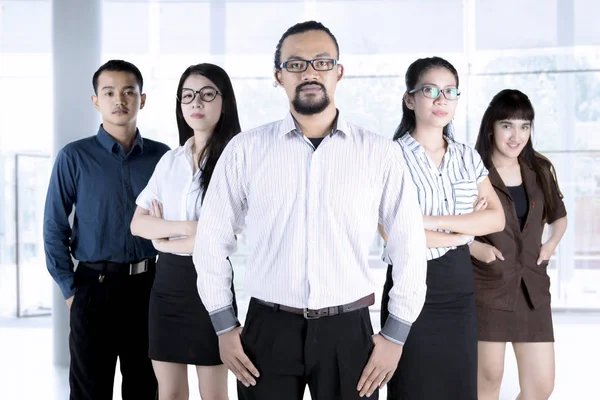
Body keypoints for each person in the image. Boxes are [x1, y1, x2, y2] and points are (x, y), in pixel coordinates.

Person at [192, 21, 428, 400]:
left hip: (349, 331)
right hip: (265, 331)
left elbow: (409, 246)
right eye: (296, 64)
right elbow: (211, 242)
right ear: (278, 76)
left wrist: (396, 334)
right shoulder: (245, 150)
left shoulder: (378, 153)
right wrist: (223, 326)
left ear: (339, 72)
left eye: (321, 62)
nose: (310, 72)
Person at [379, 56, 505, 400]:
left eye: (450, 92)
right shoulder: (389, 156)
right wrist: (465, 234)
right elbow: (393, 233)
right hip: (409, 286)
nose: (441, 100)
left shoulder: (467, 156)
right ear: (409, 99)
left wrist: (428, 223)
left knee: (459, 388)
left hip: (459, 288)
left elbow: (496, 218)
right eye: (431, 90)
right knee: (412, 387)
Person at [43, 59, 170, 399]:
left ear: (142, 99)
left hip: (148, 287)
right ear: (96, 100)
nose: (120, 100)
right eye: (109, 92)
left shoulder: (163, 157)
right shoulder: (74, 156)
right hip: (92, 287)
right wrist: (71, 291)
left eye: (129, 91)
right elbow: (54, 226)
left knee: (145, 386)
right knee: (89, 390)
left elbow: (173, 224)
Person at [130, 63, 241, 400]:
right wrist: (189, 229)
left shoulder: (238, 157)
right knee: (170, 393)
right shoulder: (170, 160)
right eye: (188, 96)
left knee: (214, 394)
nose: (197, 103)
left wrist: (164, 239)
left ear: (224, 102)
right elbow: (138, 224)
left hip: (213, 287)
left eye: (207, 94)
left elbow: (229, 239)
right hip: (166, 288)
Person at [471, 89, 567, 400]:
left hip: (532, 291)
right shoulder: (471, 170)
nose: (516, 136)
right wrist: (476, 248)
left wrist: (551, 243)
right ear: (491, 127)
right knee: (487, 385)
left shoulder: (540, 169)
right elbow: (450, 226)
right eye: (507, 125)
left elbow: (559, 218)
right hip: (487, 288)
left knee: (541, 386)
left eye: (524, 126)